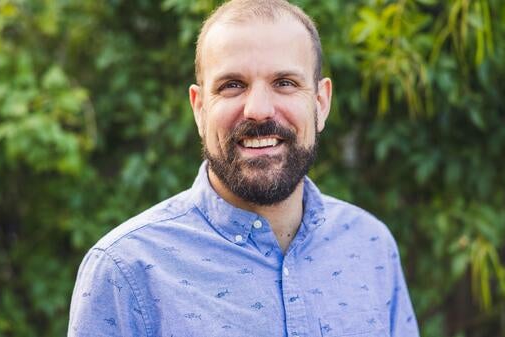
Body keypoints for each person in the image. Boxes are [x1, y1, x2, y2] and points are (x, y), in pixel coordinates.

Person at [68, 0, 420, 336]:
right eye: (232, 85)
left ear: (321, 102)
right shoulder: (125, 271)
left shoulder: (370, 245)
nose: (259, 109)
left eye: (285, 83)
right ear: (199, 108)